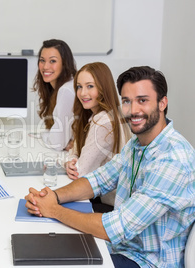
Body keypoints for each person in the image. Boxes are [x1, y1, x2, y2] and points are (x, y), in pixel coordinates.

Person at [25, 66, 194, 267]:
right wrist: (53, 196)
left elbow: (116, 227)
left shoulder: (173, 159)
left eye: (142, 100)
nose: (133, 110)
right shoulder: (137, 145)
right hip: (121, 247)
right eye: (126, 101)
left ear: (162, 103)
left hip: (146, 262)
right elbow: (98, 180)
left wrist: (54, 210)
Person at [65, 62, 131, 210]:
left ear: (103, 88)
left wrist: (64, 162)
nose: (82, 93)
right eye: (79, 87)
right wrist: (71, 158)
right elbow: (76, 149)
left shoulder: (103, 122)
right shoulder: (112, 112)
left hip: (109, 205)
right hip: (109, 200)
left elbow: (81, 173)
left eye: (90, 86)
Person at [33, 39, 76, 151]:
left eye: (52, 61)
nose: (45, 66)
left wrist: (44, 135)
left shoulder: (66, 90)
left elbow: (56, 144)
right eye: (42, 60)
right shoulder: (63, 86)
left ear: (64, 63)